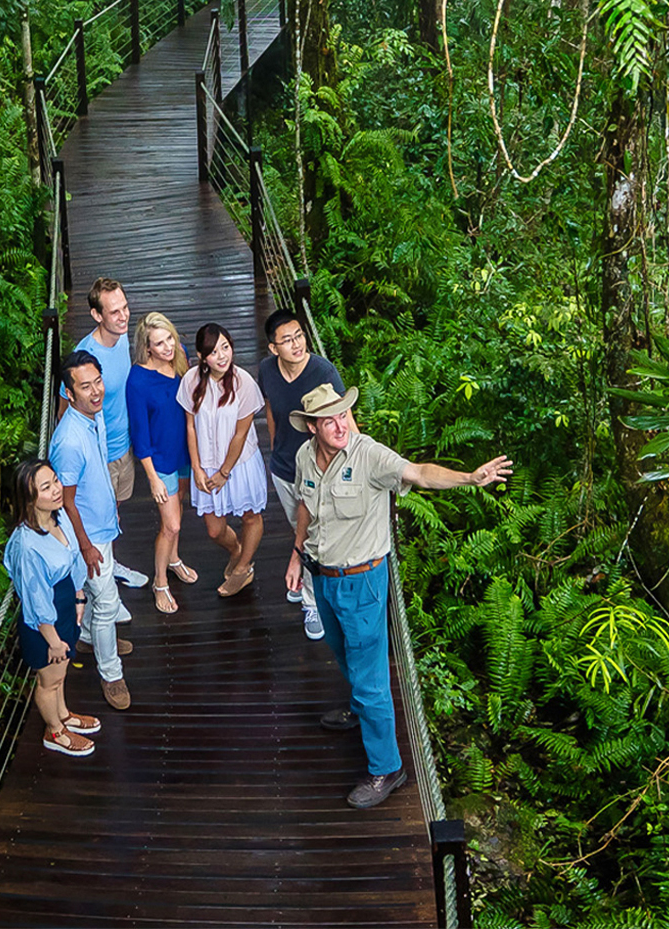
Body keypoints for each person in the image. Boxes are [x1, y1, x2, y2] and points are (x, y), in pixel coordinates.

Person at [283, 384, 513, 808]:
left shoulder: (369, 455)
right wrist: (296, 555)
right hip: (324, 577)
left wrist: (469, 478)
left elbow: (419, 473)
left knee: (370, 677)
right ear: (312, 427)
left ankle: (386, 768)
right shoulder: (304, 457)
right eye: (330, 420)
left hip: (363, 582)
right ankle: (358, 710)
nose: (340, 426)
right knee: (340, 650)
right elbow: (306, 507)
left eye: (343, 415)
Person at [255, 308, 347, 642]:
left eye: (299, 336)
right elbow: (271, 407)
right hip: (284, 469)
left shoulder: (323, 372)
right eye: (287, 340)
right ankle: (306, 580)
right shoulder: (267, 370)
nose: (296, 344)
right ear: (273, 347)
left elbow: (346, 421)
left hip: (320, 471)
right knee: (302, 531)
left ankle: (311, 601)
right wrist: (274, 444)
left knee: (312, 537)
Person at [1, 458, 103, 756]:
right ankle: (55, 731)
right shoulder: (27, 546)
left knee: (60, 673)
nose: (57, 489)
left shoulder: (58, 518)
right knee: (49, 679)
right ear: (29, 498)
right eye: (46, 488)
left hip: (64, 604)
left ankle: (63, 715)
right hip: (45, 623)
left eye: (55, 481)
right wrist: (54, 641)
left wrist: (79, 596)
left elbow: (72, 560)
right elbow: (35, 599)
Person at [50, 350, 132, 711]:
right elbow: (65, 502)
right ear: (69, 393)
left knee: (102, 600)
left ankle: (91, 637)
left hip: (101, 525)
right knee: (108, 601)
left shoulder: (92, 417)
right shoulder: (68, 441)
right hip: (89, 536)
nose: (96, 391)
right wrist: (85, 546)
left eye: (98, 381)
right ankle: (111, 674)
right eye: (85, 386)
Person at [59, 277, 150, 592]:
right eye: (114, 312)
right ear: (97, 315)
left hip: (124, 447)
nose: (123, 316)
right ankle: (92, 581)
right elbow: (65, 409)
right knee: (95, 518)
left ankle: (111, 561)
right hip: (99, 456)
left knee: (115, 511)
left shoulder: (122, 338)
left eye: (125, 308)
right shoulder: (84, 357)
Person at [177, 323, 266, 598]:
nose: (222, 356)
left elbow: (241, 434)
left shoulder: (243, 382)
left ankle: (243, 568)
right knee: (214, 530)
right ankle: (237, 550)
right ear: (202, 357)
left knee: (250, 516)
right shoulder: (191, 380)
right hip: (206, 464)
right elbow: (190, 426)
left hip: (239, 464)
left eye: (225, 347)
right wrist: (196, 467)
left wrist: (225, 472)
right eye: (214, 352)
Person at [126, 312, 199, 614]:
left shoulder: (179, 357)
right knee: (171, 524)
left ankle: (174, 559)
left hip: (184, 452)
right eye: (159, 343)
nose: (168, 346)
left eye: (170, 337)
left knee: (179, 505)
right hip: (160, 461)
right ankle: (160, 582)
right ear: (147, 347)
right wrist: (153, 478)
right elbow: (140, 435)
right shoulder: (137, 381)